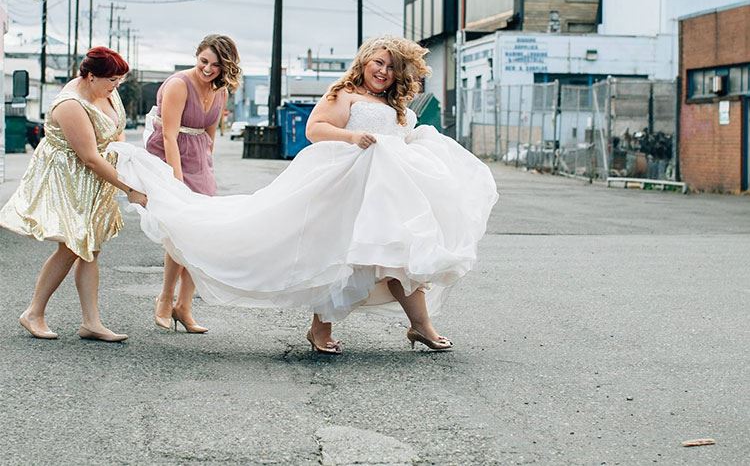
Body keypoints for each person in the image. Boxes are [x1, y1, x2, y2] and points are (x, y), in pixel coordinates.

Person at [112, 36, 498, 353]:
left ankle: (419, 327)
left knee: (394, 257)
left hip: (388, 194)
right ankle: (325, 329)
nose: (383, 71)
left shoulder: (393, 105)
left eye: (392, 66)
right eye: (378, 62)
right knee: (341, 257)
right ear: (365, 62)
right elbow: (314, 129)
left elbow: (399, 139)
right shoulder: (344, 94)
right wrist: (352, 136)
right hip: (349, 189)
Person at [0, 47, 147, 342]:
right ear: (91, 77)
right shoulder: (70, 104)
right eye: (112, 80)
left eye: (119, 80)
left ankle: (91, 322)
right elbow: (89, 157)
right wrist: (130, 189)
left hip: (98, 177)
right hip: (71, 179)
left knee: (90, 248)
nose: (116, 86)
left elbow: (116, 131)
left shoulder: (107, 89)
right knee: (72, 245)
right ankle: (33, 313)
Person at [146, 34, 241, 333]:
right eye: (203, 62)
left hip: (199, 160)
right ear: (196, 56)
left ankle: (184, 307)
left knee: (199, 235)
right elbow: (169, 136)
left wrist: (207, 163)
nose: (208, 69)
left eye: (215, 65)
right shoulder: (178, 84)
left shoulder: (220, 90)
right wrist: (176, 180)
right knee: (178, 233)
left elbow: (210, 133)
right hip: (170, 156)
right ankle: (164, 299)